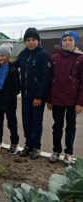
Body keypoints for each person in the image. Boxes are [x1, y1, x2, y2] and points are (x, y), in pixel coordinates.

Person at [0, 28, 51, 159]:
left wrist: (39, 96)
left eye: (33, 40)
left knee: (36, 121)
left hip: (37, 96)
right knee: (26, 121)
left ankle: (36, 147)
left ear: (38, 40)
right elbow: (13, 66)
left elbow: (46, 78)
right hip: (25, 95)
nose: (30, 43)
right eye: (28, 40)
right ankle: (28, 145)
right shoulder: (23, 54)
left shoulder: (43, 54)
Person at [47, 31, 83, 165]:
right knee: (57, 126)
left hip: (73, 100)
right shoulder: (54, 58)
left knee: (71, 127)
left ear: (75, 42)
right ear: (61, 42)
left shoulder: (80, 58)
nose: (67, 42)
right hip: (57, 99)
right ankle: (56, 151)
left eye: (70, 40)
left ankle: (69, 153)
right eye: (65, 40)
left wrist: (81, 102)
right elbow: (50, 80)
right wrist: (49, 99)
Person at [0, 43, 21, 154]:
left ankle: (14, 143)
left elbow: (17, 87)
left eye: (2, 55)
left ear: (7, 56)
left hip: (9, 99)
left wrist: (10, 99)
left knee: (11, 122)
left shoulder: (13, 70)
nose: (0, 58)